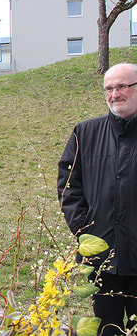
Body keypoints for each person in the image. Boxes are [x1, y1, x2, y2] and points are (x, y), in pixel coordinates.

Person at [57, 63, 137, 336]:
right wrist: (85, 231)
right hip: (102, 259)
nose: (115, 94)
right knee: (107, 329)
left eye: (122, 87)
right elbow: (68, 187)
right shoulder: (86, 133)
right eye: (109, 89)